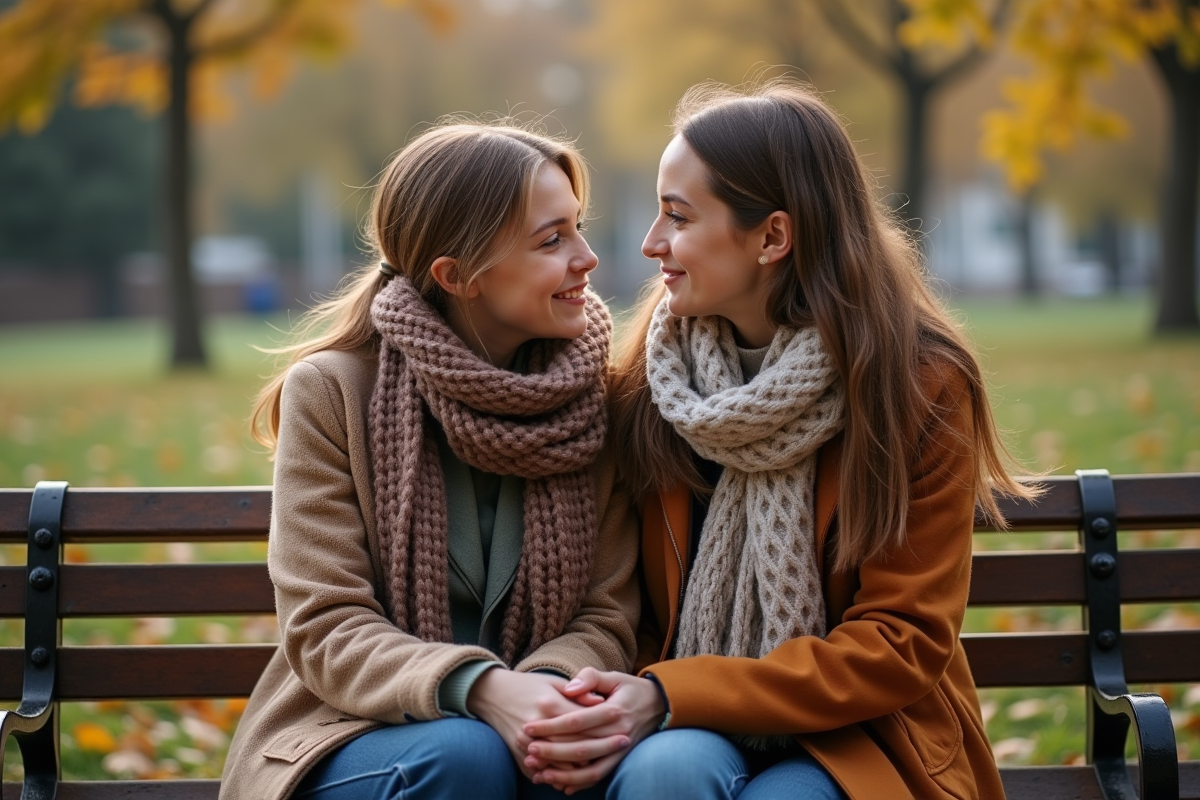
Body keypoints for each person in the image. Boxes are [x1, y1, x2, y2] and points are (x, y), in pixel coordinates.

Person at [520, 79, 1037, 800]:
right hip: (673, 720)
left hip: (867, 732)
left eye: (678, 216)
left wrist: (671, 694)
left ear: (772, 237)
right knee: (665, 778)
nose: (650, 243)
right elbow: (614, 592)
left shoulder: (915, 386)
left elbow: (898, 645)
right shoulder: (650, 379)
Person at [219, 119, 640, 800]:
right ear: (458, 275)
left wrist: (546, 698)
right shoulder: (332, 393)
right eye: (552, 239)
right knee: (468, 755)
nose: (587, 258)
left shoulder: (597, 402)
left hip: (539, 737)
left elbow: (608, 613)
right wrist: (481, 691)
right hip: (351, 736)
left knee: (579, 767)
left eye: (579, 227)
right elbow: (327, 627)